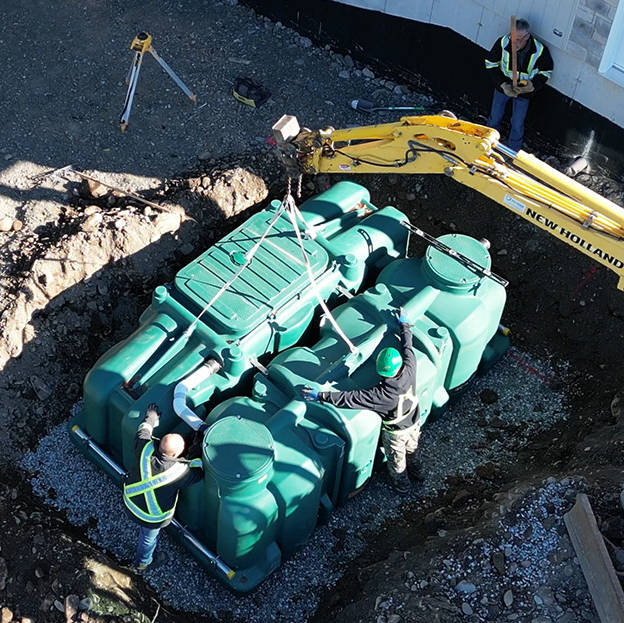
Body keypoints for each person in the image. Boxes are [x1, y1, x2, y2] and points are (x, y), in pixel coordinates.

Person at [302, 308, 420, 495]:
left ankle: (402, 487)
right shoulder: (410, 367)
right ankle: (418, 471)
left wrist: (321, 396)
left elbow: (349, 399)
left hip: (396, 433)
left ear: (381, 372)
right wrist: (404, 325)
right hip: (414, 422)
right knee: (413, 449)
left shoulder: (380, 395)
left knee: (397, 462)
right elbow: (407, 347)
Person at [123, 404, 203, 570]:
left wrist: (151, 416)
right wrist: (196, 449)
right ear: (175, 455)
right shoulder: (179, 472)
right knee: (147, 539)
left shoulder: (144, 448)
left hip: (129, 501)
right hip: (151, 517)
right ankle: (143, 564)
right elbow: (199, 471)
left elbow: (143, 431)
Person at [484, 18, 553, 151]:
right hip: (504, 87)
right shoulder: (503, 42)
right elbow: (490, 63)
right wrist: (503, 85)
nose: (514, 42)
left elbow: (546, 71)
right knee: (495, 117)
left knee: (517, 123)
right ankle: (487, 144)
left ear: (527, 37)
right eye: (513, 37)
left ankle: (512, 152)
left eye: (519, 39)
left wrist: (532, 86)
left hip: (524, 91)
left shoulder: (539, 50)